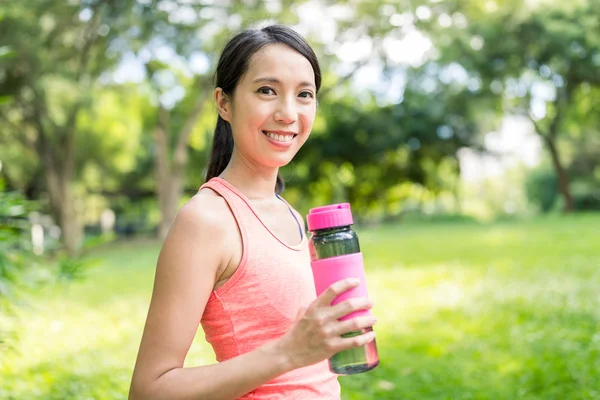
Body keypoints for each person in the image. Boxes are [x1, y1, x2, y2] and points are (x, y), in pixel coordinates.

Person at [129, 24, 377, 400]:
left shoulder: (291, 215)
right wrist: (288, 351)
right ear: (224, 103)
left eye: (304, 94)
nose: (288, 113)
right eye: (266, 91)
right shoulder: (207, 220)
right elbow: (150, 391)